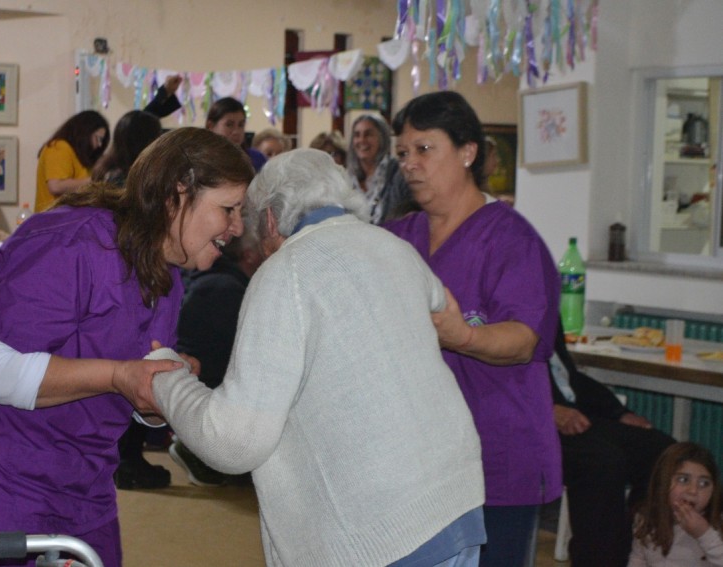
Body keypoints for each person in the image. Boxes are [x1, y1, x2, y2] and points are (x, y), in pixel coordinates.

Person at [0, 127, 255, 567]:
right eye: (229, 208)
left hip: (80, 478)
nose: (238, 227)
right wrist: (119, 375)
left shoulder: (163, 277)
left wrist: (150, 393)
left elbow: (119, 375)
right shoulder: (74, 241)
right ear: (177, 194)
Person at [149, 148, 486, 566]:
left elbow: (234, 441)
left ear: (270, 219)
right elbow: (442, 307)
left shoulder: (285, 273)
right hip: (455, 499)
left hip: (383, 529)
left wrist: (166, 377)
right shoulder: (394, 248)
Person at [385, 91, 561, 567]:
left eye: (425, 149)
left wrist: (463, 336)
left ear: (468, 152)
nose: (410, 164)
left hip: (498, 455)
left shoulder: (511, 239)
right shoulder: (397, 238)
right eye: (403, 152)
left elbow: (523, 340)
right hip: (420, 458)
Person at [551, 319, 675, 567]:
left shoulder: (547, 306)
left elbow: (570, 378)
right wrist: (549, 411)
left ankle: (640, 550)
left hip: (576, 416)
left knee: (664, 452)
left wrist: (619, 413)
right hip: (530, 424)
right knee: (603, 462)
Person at [91, 109, 171, 490]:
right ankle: (129, 457)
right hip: (139, 271)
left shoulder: (106, 174)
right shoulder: (146, 181)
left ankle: (120, 455)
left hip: (113, 275)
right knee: (142, 356)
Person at [169, 233, 263, 487]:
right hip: (205, 390)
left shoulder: (217, 281)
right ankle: (195, 451)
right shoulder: (227, 289)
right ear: (250, 255)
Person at [629, 442, 723, 566]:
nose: (693, 490)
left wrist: (704, 534)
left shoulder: (718, 522)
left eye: (704, 483)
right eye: (683, 480)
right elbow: (638, 559)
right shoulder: (646, 518)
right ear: (663, 482)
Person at [34, 110, 110, 212]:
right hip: (53, 221)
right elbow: (55, 186)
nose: (99, 145)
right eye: (98, 138)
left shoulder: (79, 155)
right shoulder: (59, 147)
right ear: (86, 132)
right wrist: (93, 181)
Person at [347, 114, 411, 224]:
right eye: (357, 135)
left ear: (382, 138)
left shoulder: (399, 174)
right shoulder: (346, 178)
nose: (362, 140)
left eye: (368, 134)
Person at [206, 96, 266, 171]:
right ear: (210, 126)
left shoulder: (256, 158)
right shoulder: (200, 159)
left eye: (241, 125)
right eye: (229, 125)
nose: (236, 132)